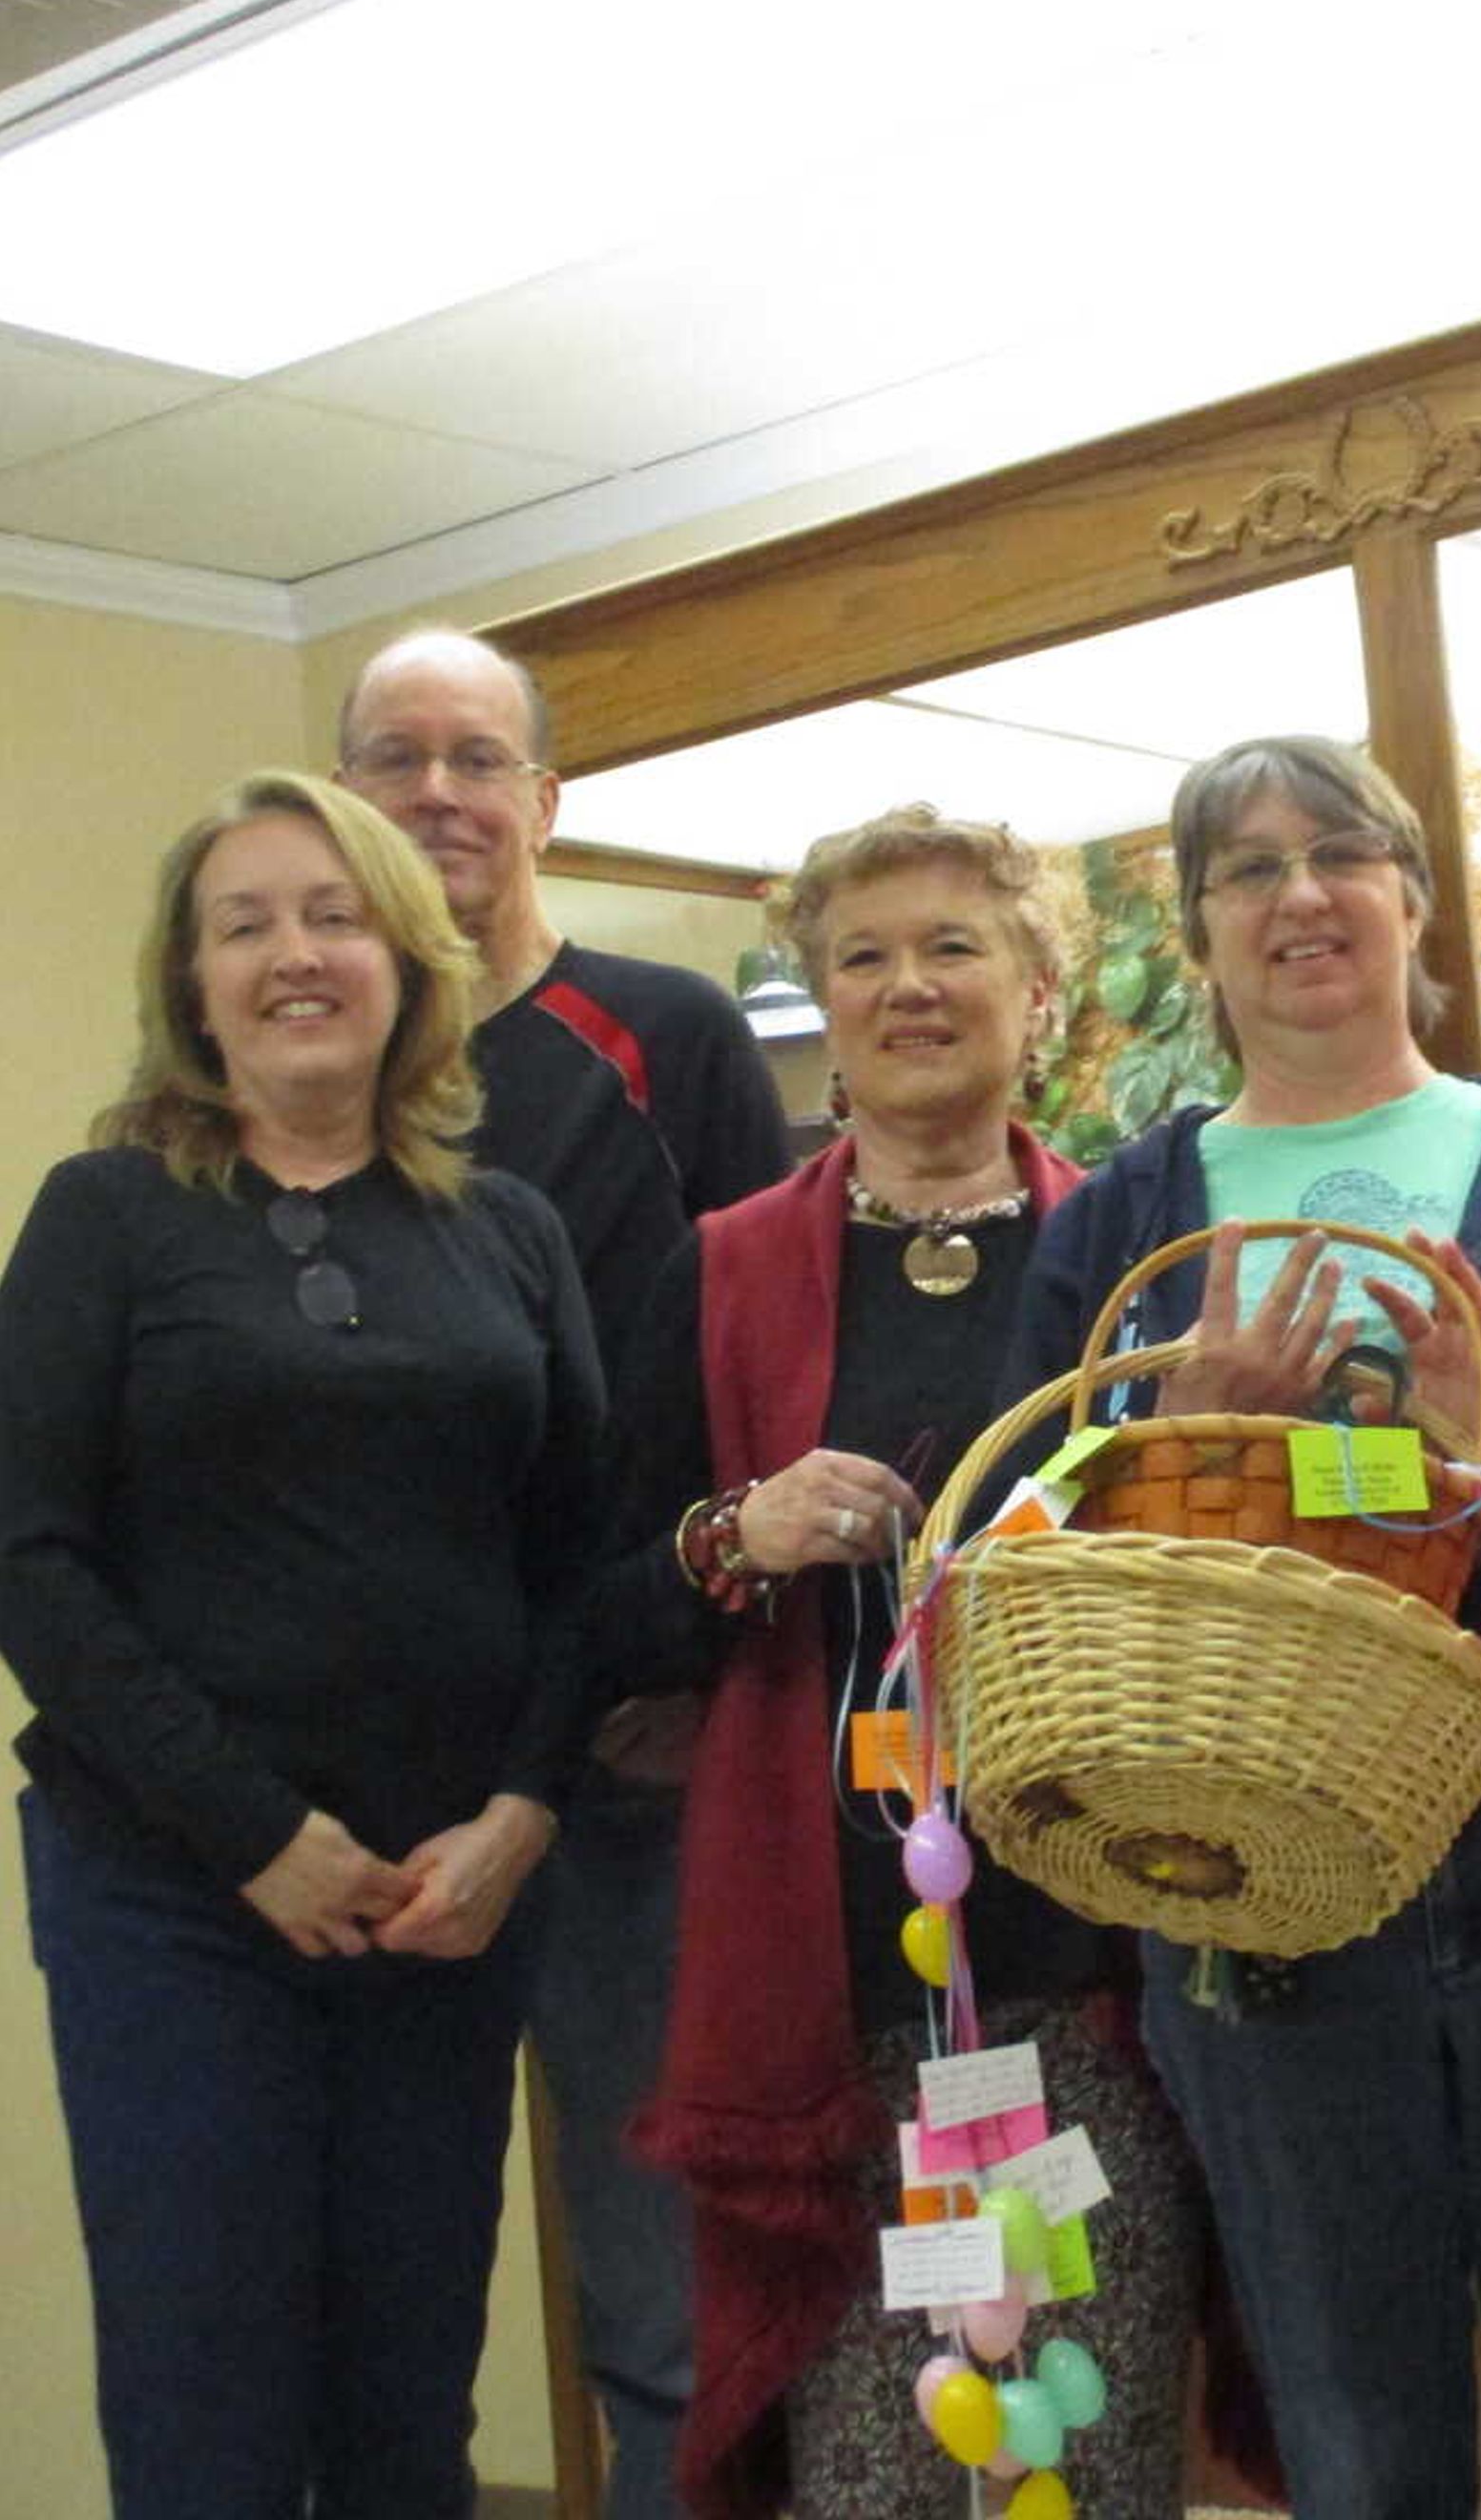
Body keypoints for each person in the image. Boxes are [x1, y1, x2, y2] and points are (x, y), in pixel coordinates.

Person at [1008, 734, 1481, 2520]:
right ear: (1197, 933)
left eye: (1338, 853)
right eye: (1246, 870)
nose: (1298, 896)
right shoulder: (1119, 1227)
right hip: (1260, 1890)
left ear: (1415, 900)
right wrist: (1165, 1440)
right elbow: (1021, 1558)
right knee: (1352, 2440)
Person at [0, 771, 604, 2518]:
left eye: (332, 916)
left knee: (409, 2402)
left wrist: (524, 1816)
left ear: (406, 959)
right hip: (177, 1899)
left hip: (448, 1898)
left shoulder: (512, 1236)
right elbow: (19, 1565)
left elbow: (580, 1565)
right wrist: (255, 1837)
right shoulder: (106, 1217)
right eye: (243, 924)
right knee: (208, 2401)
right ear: (192, 985)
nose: (292, 955)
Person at [611, 807, 1203, 2517]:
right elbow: (600, 1614)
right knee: (878, 2478)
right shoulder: (722, 1275)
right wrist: (739, 1533)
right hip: (833, 2007)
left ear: (1041, 990)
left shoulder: (1136, 1264)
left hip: (1105, 1977)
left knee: (1088, 2464)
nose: (909, 988)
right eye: (862, 956)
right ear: (821, 1001)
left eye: (954, 947)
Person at [337, 627, 789, 2520]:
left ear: (545, 800)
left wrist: (701, 1664)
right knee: (380, 2294)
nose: (438, 789)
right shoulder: (305, 1067)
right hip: (379, 1788)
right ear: (346, 794)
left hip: (629, 1768)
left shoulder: (662, 1037)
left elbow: (773, 1358)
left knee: (669, 2301)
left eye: (476, 756)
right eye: (395, 756)